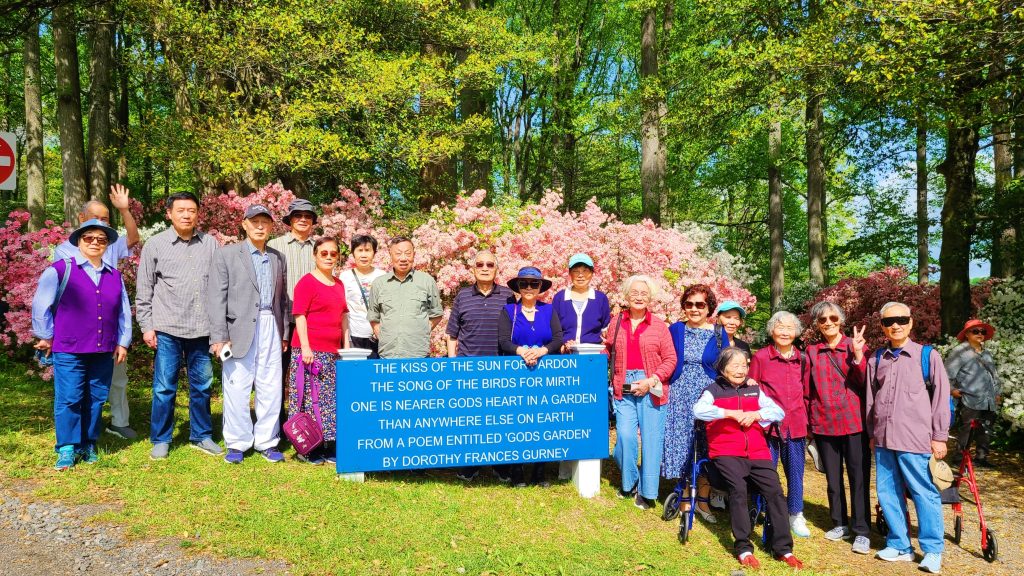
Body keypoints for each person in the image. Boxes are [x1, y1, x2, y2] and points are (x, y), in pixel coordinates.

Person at [32, 219, 132, 470]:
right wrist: (45, 335)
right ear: (79, 241)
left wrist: (123, 342)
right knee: (69, 398)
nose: (95, 242)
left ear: (107, 244)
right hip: (69, 348)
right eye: (89, 237)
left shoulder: (114, 275)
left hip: (103, 348)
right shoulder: (59, 270)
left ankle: (88, 442)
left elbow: (123, 312)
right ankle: (67, 446)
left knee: (96, 397)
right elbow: (41, 306)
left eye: (102, 239)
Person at [694, 347, 803, 569]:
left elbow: (778, 412)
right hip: (726, 451)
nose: (740, 370)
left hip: (757, 451)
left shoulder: (754, 390)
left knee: (775, 491)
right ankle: (743, 547)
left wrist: (757, 414)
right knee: (738, 490)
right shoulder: (713, 391)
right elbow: (698, 411)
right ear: (723, 369)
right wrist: (728, 413)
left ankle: (784, 548)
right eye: (735, 365)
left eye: (744, 365)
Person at [136, 192, 222, 460]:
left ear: (198, 214)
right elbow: (144, 289)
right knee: (164, 387)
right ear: (169, 214)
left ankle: (201, 435)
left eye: (192, 210)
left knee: (202, 386)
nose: (186, 215)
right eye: (181, 210)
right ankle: (161, 438)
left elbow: (219, 288)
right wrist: (146, 326)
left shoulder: (210, 244)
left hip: (202, 329)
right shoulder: (155, 244)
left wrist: (220, 329)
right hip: (168, 328)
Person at [866, 302, 949, 574]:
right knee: (887, 494)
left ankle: (932, 550)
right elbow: (870, 400)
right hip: (884, 439)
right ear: (882, 326)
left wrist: (940, 436)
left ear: (911, 322)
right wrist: (872, 433)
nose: (896, 325)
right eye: (889, 321)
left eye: (902, 319)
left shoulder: (928, 356)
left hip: (916, 440)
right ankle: (900, 544)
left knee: (924, 494)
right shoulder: (876, 358)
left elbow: (941, 398)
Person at [53, 184, 141, 440]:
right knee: (79, 383)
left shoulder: (108, 243)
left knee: (117, 376)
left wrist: (124, 210)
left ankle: (119, 421)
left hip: (109, 324)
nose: (100, 223)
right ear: (81, 218)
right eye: (95, 217)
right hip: (80, 328)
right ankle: (77, 431)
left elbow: (133, 239)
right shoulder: (65, 249)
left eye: (105, 219)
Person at [208, 205, 290, 465]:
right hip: (238, 329)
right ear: (244, 224)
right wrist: (219, 336)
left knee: (271, 385)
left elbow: (282, 300)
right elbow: (216, 298)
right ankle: (237, 442)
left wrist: (284, 333)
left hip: (270, 325)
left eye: (265, 222)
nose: (260, 226)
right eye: (254, 221)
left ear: (271, 226)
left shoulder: (278, 258)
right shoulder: (227, 255)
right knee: (237, 385)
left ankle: (267, 440)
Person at [663, 284, 734, 521]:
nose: (694, 309)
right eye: (689, 304)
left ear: (709, 307)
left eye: (700, 305)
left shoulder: (719, 333)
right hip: (679, 394)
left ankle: (703, 500)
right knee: (683, 444)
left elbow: (727, 365)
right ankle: (684, 497)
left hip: (707, 394)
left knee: (706, 445)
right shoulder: (675, 329)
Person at [804, 301, 870, 554]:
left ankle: (861, 530)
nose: (828, 323)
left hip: (854, 422)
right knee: (833, 478)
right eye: (822, 320)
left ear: (841, 320)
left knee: (858, 478)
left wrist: (858, 355)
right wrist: (809, 424)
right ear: (817, 324)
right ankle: (840, 522)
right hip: (824, 423)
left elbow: (865, 383)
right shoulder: (812, 351)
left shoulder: (854, 345)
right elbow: (807, 390)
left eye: (833, 318)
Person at [606, 275, 676, 510]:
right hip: (623, 384)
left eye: (643, 293)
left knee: (651, 441)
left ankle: (647, 492)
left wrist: (651, 380)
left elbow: (670, 359)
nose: (638, 297)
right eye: (634, 293)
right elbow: (608, 350)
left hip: (652, 385)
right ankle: (630, 481)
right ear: (626, 296)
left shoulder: (659, 326)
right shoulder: (616, 322)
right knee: (625, 437)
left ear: (650, 297)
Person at [447, 249, 515, 481]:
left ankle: (500, 464)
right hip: (468, 369)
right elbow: (452, 334)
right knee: (470, 420)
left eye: (489, 264)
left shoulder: (508, 296)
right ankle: (470, 464)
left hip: (500, 369)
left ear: (497, 269)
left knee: (500, 419)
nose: (485, 268)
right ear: (473, 269)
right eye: (480, 264)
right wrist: (453, 364)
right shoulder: (462, 296)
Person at [498, 266, 564, 486]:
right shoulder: (509, 311)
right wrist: (522, 352)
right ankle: (517, 471)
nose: (528, 287)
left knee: (542, 422)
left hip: (543, 374)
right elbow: (503, 341)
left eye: (534, 284)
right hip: (516, 374)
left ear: (540, 287)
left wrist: (541, 351)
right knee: (516, 422)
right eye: (524, 283)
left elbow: (557, 338)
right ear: (518, 287)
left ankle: (539, 472)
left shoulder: (549, 310)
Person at [750, 311, 810, 538]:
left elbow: (807, 393)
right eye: (780, 327)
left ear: (796, 332)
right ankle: (764, 509)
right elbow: (752, 390)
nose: (785, 332)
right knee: (766, 472)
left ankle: (795, 513)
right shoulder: (761, 357)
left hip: (795, 425)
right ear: (772, 330)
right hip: (768, 427)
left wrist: (807, 422)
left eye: (789, 328)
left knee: (795, 472)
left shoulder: (803, 359)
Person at [288, 237, 348, 465]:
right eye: (324, 253)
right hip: (310, 352)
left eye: (333, 253)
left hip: (332, 352)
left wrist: (346, 347)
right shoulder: (307, 283)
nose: (329, 257)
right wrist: (306, 347)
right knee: (308, 400)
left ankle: (327, 444)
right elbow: (300, 316)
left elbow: (343, 316)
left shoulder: (339, 284)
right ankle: (307, 447)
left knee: (329, 401)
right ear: (315, 255)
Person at [268, 199, 317, 422]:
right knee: (277, 373)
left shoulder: (319, 248)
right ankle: (276, 423)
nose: (303, 219)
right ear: (290, 220)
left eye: (308, 216)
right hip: (283, 318)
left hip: (311, 321)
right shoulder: (275, 246)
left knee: (309, 373)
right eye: (298, 215)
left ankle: (307, 422)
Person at [367, 236, 443, 359]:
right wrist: (383, 337)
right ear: (390, 255)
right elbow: (373, 316)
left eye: (408, 253)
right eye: (398, 253)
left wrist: (422, 331)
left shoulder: (427, 281)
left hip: (418, 353)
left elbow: (436, 314)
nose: (403, 258)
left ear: (414, 255)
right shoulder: (379, 284)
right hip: (388, 354)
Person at [946, 319, 1000, 468]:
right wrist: (952, 390)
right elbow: (947, 374)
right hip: (970, 398)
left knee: (986, 429)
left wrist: (997, 392)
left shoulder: (986, 353)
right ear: (967, 334)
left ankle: (981, 458)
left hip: (988, 399)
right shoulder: (959, 352)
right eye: (975, 331)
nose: (980, 334)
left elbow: (994, 375)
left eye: (982, 331)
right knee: (968, 429)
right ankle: (959, 458)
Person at [552, 253, 611, 354]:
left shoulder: (600, 299)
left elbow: (605, 330)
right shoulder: (560, 298)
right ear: (570, 274)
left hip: (593, 355)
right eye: (576, 271)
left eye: (585, 271)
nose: (580, 275)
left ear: (592, 273)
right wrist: (562, 346)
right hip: (566, 355)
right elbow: (554, 330)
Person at [339, 235, 386, 358]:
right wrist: (346, 341)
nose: (364, 255)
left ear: (374, 253)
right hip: (355, 335)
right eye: (360, 250)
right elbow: (343, 310)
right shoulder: (345, 277)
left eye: (368, 250)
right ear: (353, 253)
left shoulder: (382, 276)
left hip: (378, 335)